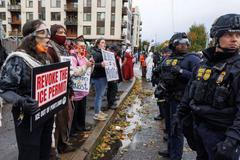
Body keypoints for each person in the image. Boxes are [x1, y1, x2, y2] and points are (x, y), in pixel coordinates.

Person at [176, 14, 240, 160]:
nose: (235, 39)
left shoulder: (237, 68)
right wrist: (178, 117)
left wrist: (231, 141)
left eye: (238, 35)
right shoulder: (202, 65)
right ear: (216, 36)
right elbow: (188, 94)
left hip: (223, 135)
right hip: (199, 130)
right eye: (229, 34)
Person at [0, 20, 54, 160]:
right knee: (30, 154)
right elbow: (5, 89)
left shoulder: (46, 57)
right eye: (42, 33)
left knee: (44, 151)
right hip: (27, 116)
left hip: (46, 114)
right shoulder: (18, 59)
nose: (48, 37)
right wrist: (21, 101)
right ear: (30, 37)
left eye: (48, 32)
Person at [158, 32, 200, 160]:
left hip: (181, 100)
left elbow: (198, 78)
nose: (184, 45)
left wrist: (181, 71)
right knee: (170, 127)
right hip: (168, 97)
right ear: (173, 44)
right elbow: (161, 71)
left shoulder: (193, 59)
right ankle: (171, 150)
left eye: (186, 43)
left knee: (177, 128)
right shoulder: (169, 58)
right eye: (180, 43)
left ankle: (176, 156)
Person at [48, 24, 76, 154]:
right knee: (57, 122)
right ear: (53, 34)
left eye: (65, 32)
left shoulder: (63, 49)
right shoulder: (50, 50)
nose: (63, 35)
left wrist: (70, 89)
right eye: (60, 32)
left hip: (65, 88)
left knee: (64, 119)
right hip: (56, 91)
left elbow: (68, 70)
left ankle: (63, 144)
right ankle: (56, 149)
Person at [70, 41, 93, 136]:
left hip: (83, 91)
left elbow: (88, 73)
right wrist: (86, 66)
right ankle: (73, 130)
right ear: (76, 48)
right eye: (81, 47)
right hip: (75, 91)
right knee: (74, 112)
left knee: (81, 111)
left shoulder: (84, 58)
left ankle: (81, 127)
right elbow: (74, 72)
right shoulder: (73, 58)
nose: (83, 49)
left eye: (84, 47)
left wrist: (92, 65)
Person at [90, 38, 108, 121]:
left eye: (104, 42)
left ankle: (99, 111)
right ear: (98, 44)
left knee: (101, 95)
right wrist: (101, 64)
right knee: (99, 96)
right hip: (98, 77)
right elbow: (92, 64)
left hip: (103, 76)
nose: (104, 44)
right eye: (102, 42)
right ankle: (96, 114)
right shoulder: (95, 53)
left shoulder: (104, 52)